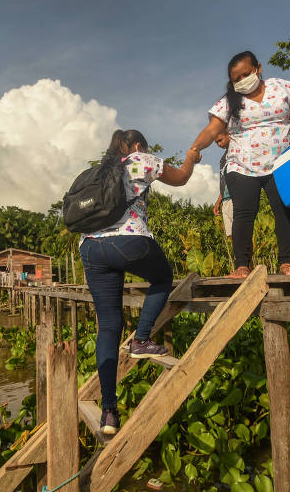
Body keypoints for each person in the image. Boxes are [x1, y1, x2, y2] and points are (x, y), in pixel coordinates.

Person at [79, 129, 200, 435]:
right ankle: (141, 339)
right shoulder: (140, 159)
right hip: (129, 241)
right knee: (162, 277)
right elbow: (182, 177)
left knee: (107, 325)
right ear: (136, 146)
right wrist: (191, 157)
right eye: (142, 146)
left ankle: (108, 412)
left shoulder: (98, 169)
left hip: (90, 247)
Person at [188, 51, 290, 278]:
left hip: (280, 163)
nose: (242, 80)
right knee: (244, 213)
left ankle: (286, 262)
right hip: (242, 165)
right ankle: (241, 265)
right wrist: (196, 147)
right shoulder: (228, 102)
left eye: (246, 74)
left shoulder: (281, 87)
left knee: (285, 210)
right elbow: (212, 130)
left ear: (258, 68)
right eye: (236, 79)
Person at [213, 148, 235, 273]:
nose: (218, 144)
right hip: (225, 200)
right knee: (231, 235)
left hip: (235, 198)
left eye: (220, 140)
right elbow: (224, 182)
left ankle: (246, 266)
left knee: (240, 233)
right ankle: (239, 265)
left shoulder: (236, 151)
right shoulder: (223, 158)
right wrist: (218, 201)